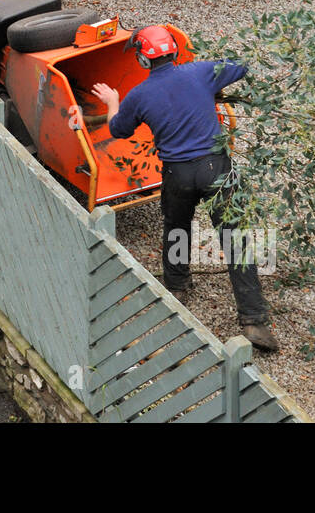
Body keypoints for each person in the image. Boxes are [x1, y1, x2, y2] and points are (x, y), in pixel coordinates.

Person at [91, 25, 279, 352]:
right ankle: (254, 320)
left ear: (143, 60)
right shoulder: (200, 72)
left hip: (178, 173)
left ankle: (177, 288)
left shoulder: (138, 95)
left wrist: (112, 101)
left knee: (177, 227)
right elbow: (242, 64)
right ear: (175, 52)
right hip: (215, 168)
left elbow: (117, 129)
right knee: (235, 238)